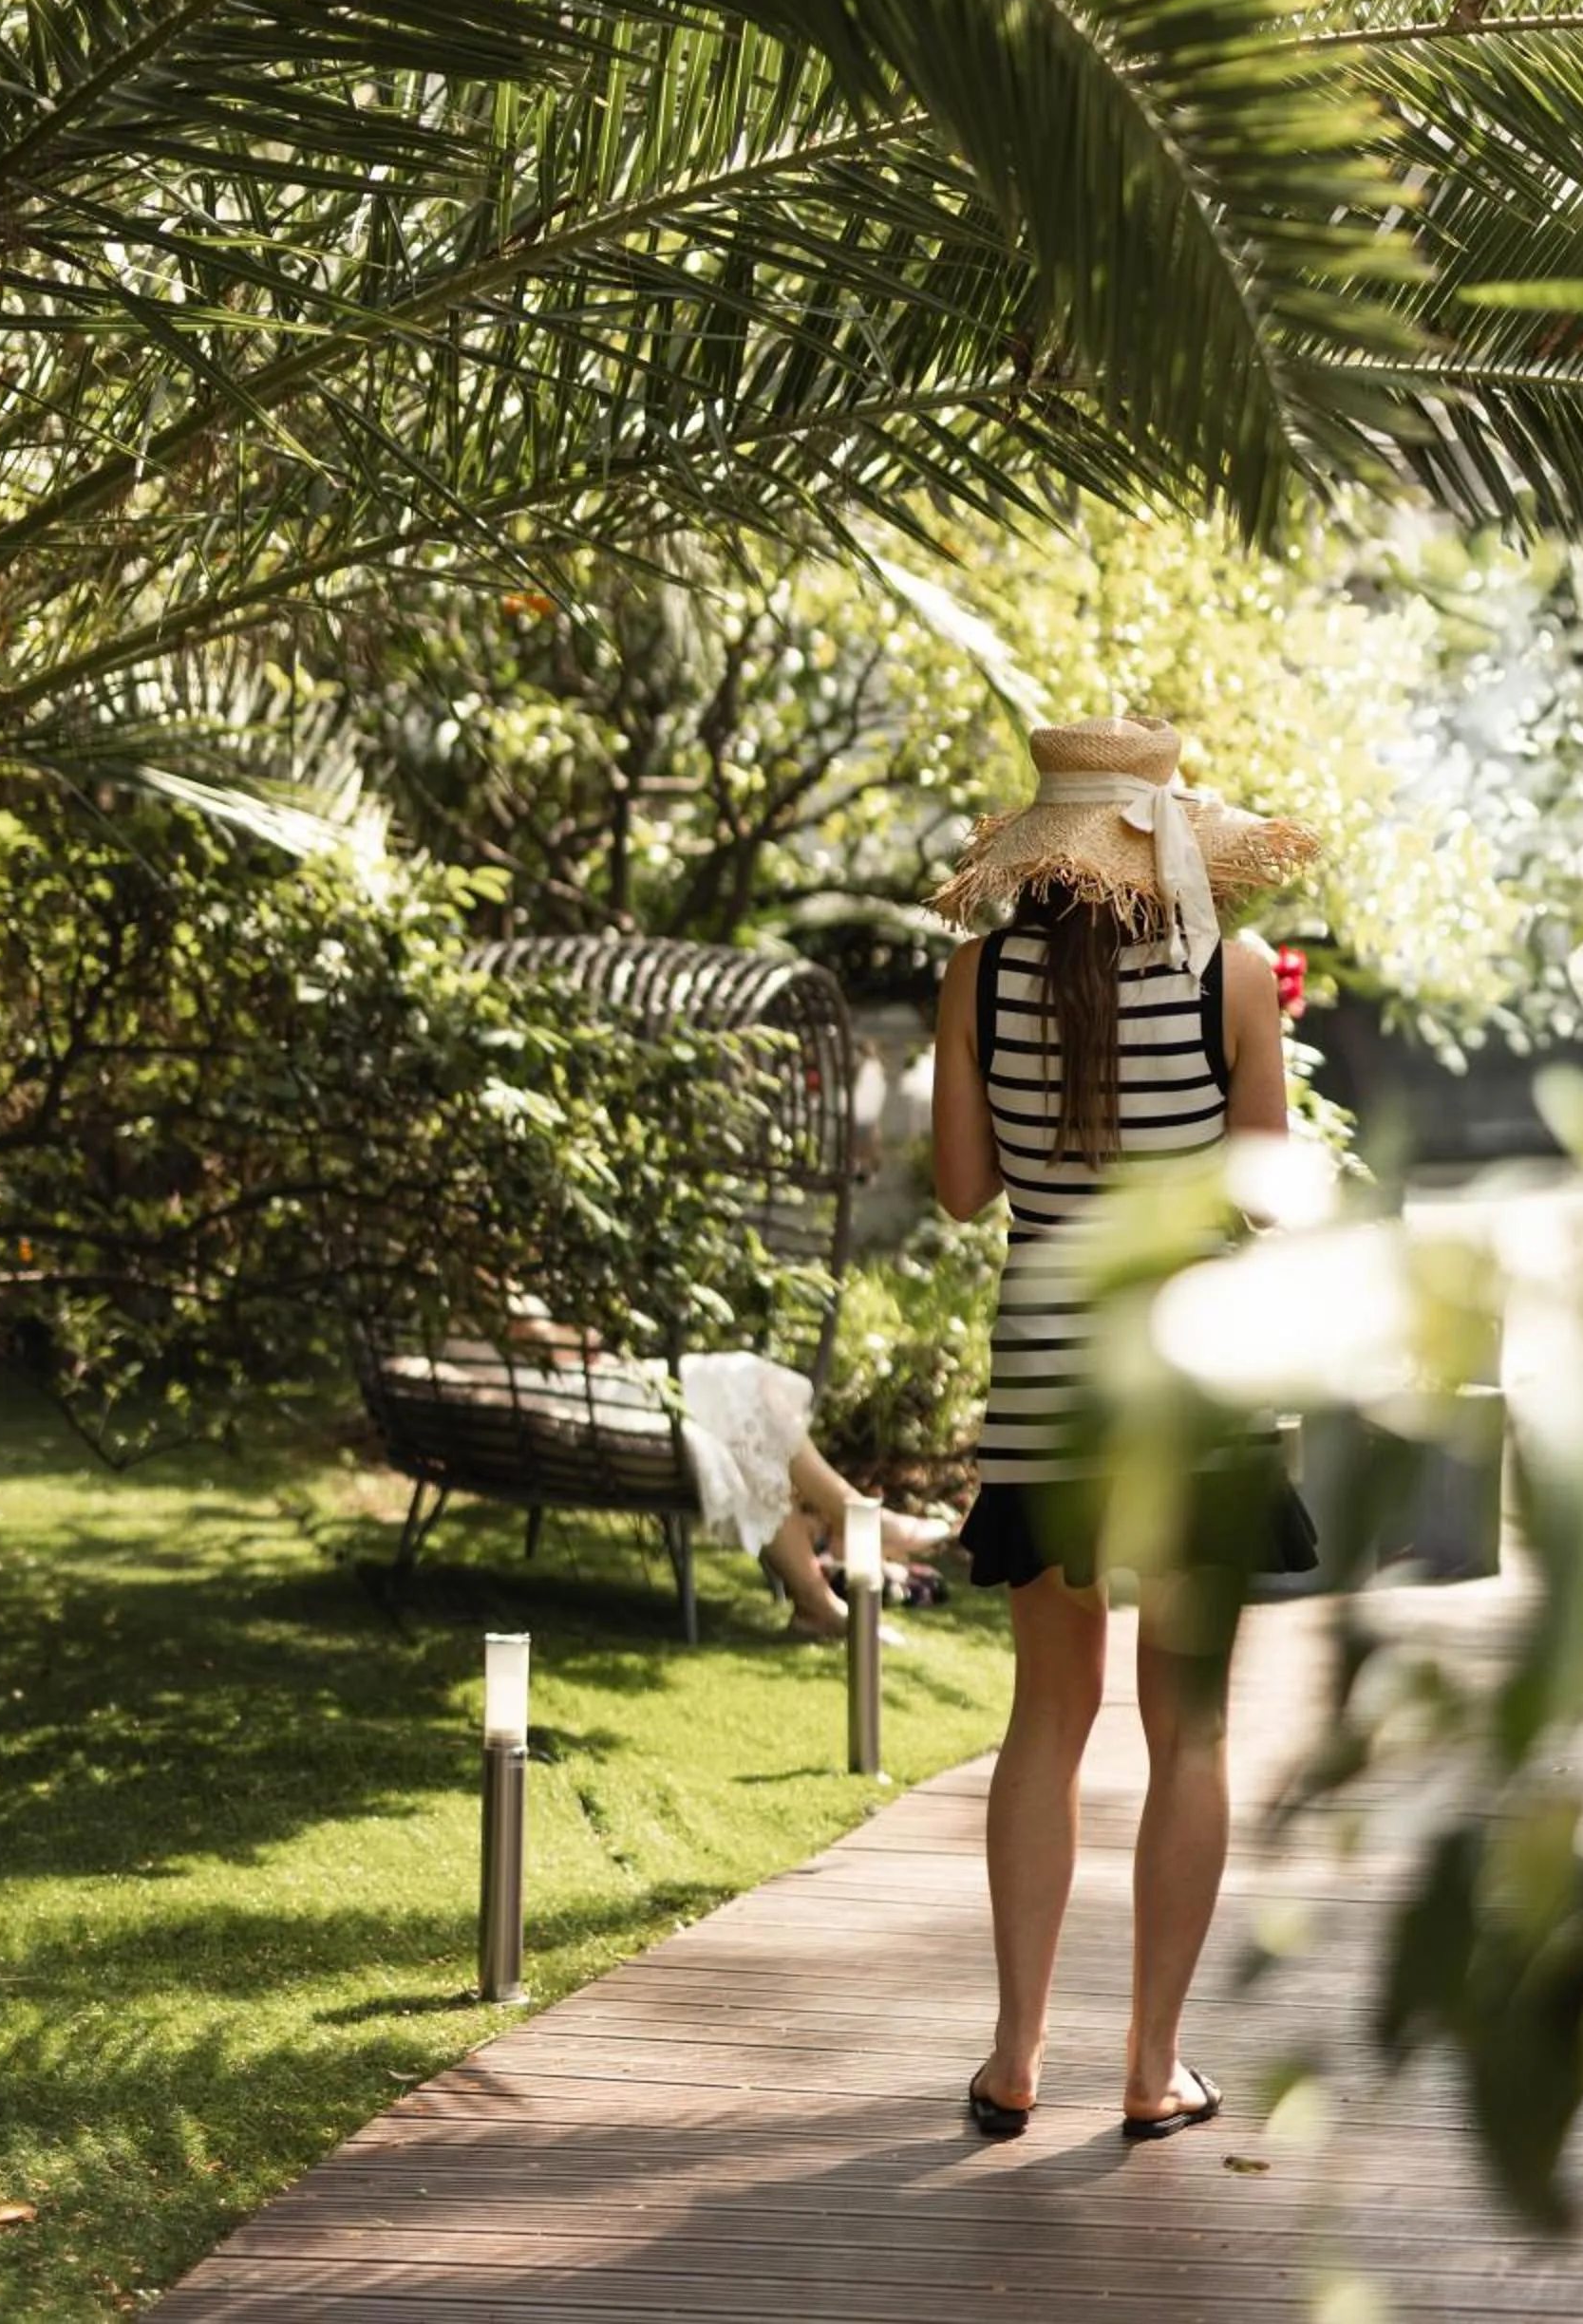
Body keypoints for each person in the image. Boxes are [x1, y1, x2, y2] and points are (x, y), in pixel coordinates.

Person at [927, 714, 1312, 2143]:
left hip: (1044, 1387)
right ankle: (1151, 2068)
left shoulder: (977, 974)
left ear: (1040, 850)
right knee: (1187, 1730)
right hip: (1198, 1386)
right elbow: (1268, 1194)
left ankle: (1014, 2056)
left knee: (1045, 1718)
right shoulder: (1229, 978)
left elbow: (965, 1191)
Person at [508, 1308, 952, 1636]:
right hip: (584, 1391)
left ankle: (835, 1565)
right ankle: (854, 1532)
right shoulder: (468, 1279)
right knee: (740, 1390)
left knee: (745, 1392)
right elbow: (538, 1340)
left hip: (604, 1382)